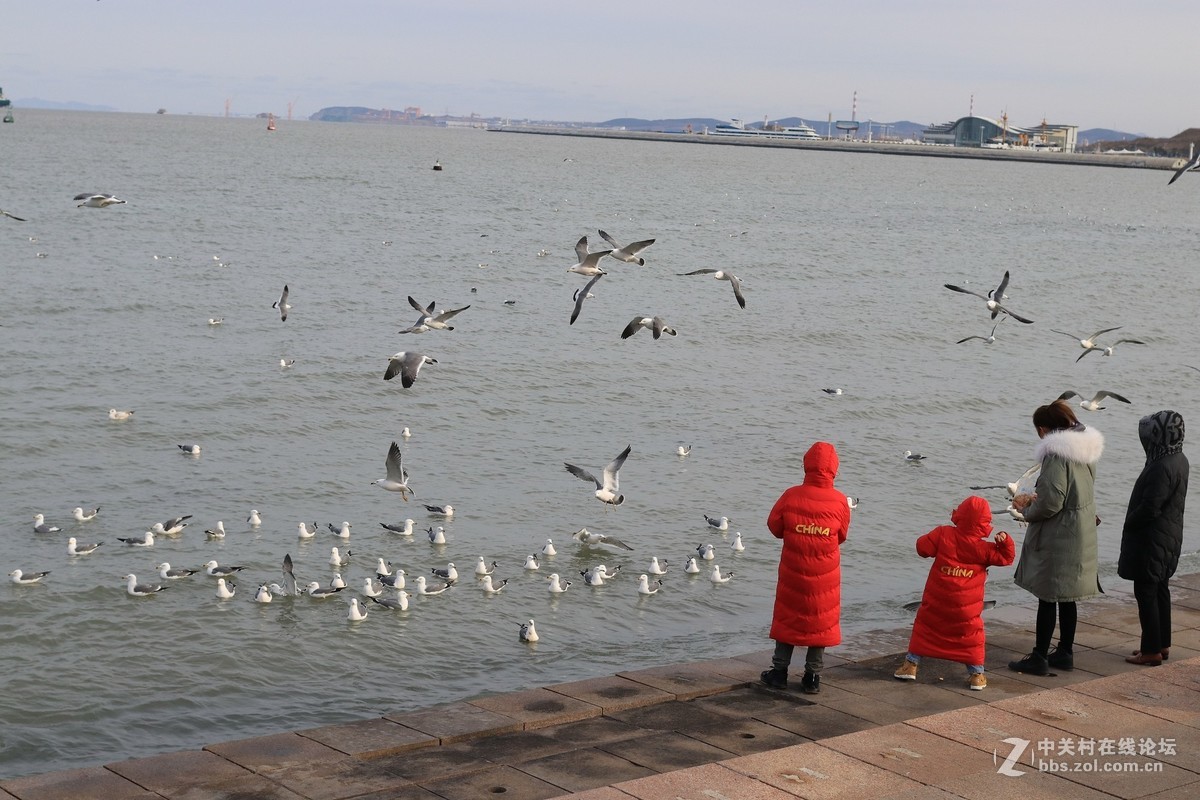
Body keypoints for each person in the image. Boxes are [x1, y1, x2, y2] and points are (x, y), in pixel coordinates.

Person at [1009, 399, 1104, 675]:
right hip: (1081, 528)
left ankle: (1039, 656)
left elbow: (1051, 502)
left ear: (1043, 430)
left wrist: (1026, 508)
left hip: (1060, 534)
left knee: (1048, 595)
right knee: (1067, 596)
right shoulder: (1085, 450)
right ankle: (1065, 651)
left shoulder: (1056, 455)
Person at [893, 496, 1015, 690]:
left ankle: (910, 665)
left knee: (924, 626)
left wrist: (933, 536)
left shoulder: (943, 534)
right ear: (985, 522)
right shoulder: (983, 548)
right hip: (966, 609)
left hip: (937, 602)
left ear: (960, 514)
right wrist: (1005, 541)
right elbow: (1006, 558)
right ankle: (977, 675)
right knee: (971, 635)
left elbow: (922, 548)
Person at [761, 441, 851, 694]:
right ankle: (812, 677)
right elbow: (841, 535)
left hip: (793, 569)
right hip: (826, 573)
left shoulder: (791, 495)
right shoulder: (840, 501)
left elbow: (774, 526)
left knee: (789, 614)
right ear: (834, 469)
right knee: (820, 619)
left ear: (806, 465)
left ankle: (779, 672)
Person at [1118, 410, 1188, 666]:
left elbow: (1151, 507)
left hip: (1152, 539)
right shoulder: (1178, 458)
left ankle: (1151, 651)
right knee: (1160, 589)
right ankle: (1161, 643)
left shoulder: (1161, 467)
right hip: (1168, 536)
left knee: (1146, 591)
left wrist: (1129, 521)